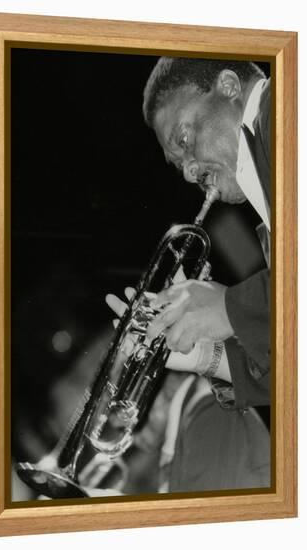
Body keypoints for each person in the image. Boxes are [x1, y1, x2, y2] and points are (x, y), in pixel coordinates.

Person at [108, 57, 271, 411]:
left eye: (184, 139)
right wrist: (206, 356)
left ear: (229, 88)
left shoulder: (283, 113)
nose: (188, 171)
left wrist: (229, 307)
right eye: (178, 163)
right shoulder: (271, 212)